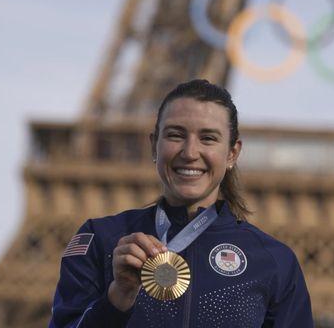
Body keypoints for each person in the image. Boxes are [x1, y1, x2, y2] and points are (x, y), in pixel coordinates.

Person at [49, 79, 314, 327]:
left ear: (232, 153)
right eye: (176, 135)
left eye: (208, 138)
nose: (189, 153)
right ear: (154, 146)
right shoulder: (101, 239)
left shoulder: (274, 261)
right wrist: (118, 298)